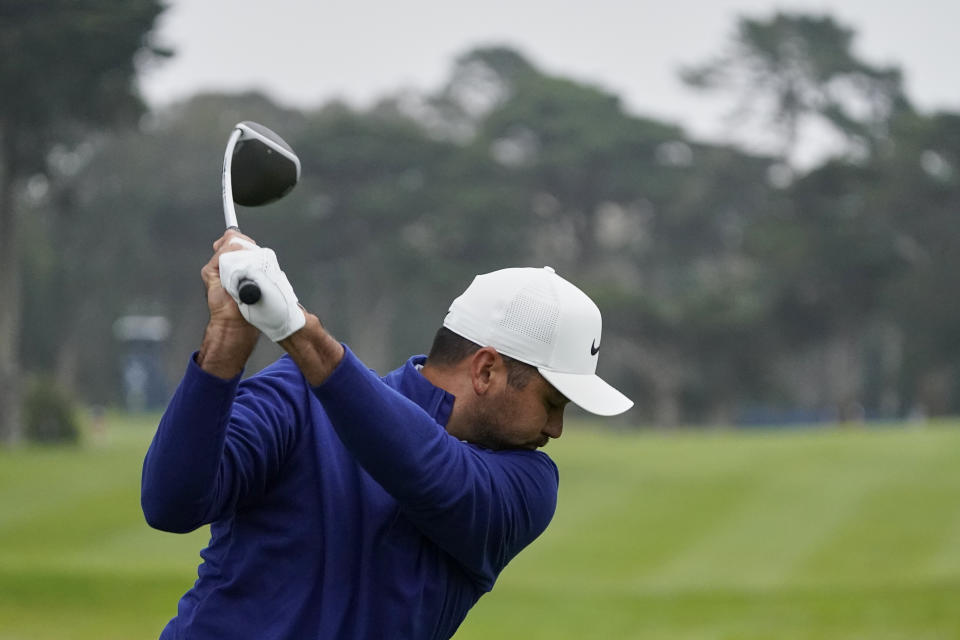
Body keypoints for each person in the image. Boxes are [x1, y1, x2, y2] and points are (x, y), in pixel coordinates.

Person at [141, 230, 633, 639]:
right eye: (551, 403)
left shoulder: (528, 485)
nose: (556, 429)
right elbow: (171, 504)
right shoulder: (296, 394)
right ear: (486, 371)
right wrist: (226, 341)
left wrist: (298, 330)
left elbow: (430, 472)